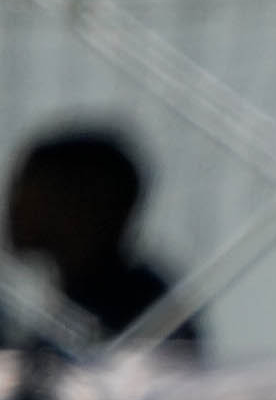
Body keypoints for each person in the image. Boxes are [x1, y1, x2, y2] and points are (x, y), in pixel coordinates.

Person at [6, 123, 201, 356]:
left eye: (30, 193)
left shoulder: (138, 314)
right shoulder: (74, 306)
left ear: (84, 205)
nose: (13, 208)